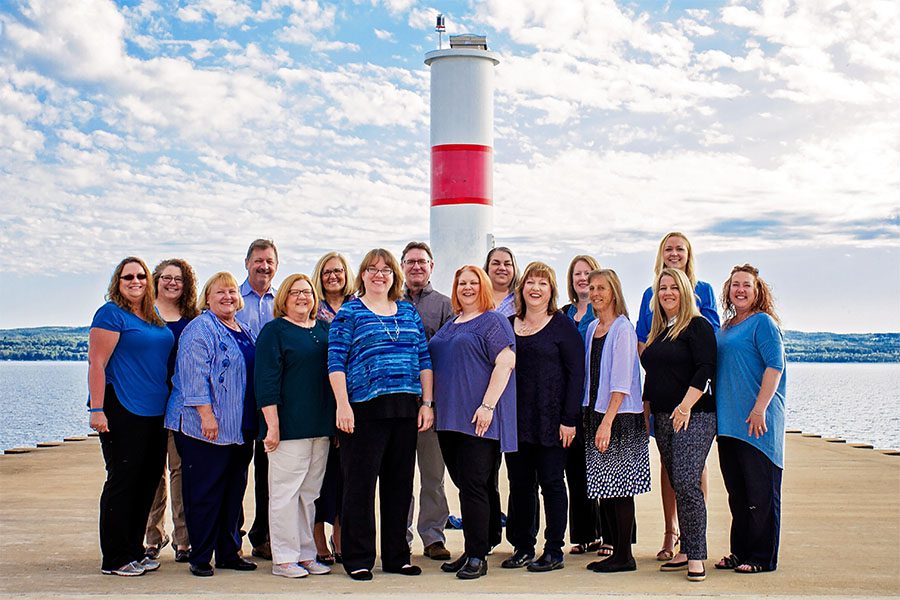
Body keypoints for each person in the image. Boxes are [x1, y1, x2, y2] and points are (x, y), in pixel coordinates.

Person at [327, 249, 434, 581]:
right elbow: (335, 362)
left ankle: (396, 556)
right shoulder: (350, 312)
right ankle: (358, 557)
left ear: (394, 276)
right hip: (363, 411)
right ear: (362, 275)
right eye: (372, 269)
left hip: (405, 409)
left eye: (386, 269)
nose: (379, 274)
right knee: (358, 487)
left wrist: (426, 403)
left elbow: (424, 359)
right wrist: (342, 405)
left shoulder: (407, 312)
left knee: (399, 485)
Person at [165, 272, 259, 577]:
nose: (228, 297)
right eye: (220, 292)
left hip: (239, 427)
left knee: (233, 492)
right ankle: (201, 555)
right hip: (204, 427)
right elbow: (194, 378)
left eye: (232, 291)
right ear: (207, 297)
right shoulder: (200, 330)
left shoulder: (243, 329)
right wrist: (207, 416)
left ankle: (229, 552)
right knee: (205, 493)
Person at [635, 232, 719, 562]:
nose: (674, 254)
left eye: (679, 249)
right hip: (662, 397)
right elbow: (647, 339)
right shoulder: (649, 294)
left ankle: (692, 538)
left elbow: (706, 345)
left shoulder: (704, 292)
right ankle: (671, 532)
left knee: (691, 470)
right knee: (670, 468)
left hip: (692, 401)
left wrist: (687, 400)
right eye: (668, 249)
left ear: (688, 254)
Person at [430, 265, 517, 579]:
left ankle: (478, 556)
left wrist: (487, 405)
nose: (467, 287)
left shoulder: (492, 320)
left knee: (475, 487)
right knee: (464, 486)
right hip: (449, 420)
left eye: (473, 282)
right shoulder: (451, 323)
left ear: (483, 287)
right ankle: (471, 547)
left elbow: (506, 361)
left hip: (478, 419)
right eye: (461, 283)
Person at [89, 257, 174, 576]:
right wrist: (97, 409)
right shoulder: (111, 313)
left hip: (155, 411)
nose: (136, 281)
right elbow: (96, 363)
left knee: (148, 482)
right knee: (123, 482)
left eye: (141, 276)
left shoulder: (152, 316)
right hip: (121, 407)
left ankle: (134, 549)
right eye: (128, 276)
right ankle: (114, 558)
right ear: (118, 281)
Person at [502, 262, 584, 573]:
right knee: (520, 484)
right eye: (530, 283)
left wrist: (569, 419)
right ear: (521, 289)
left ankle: (553, 549)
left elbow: (577, 375)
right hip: (516, 419)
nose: (535, 288)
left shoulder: (563, 326)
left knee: (551, 483)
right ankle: (523, 546)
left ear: (551, 290)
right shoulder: (508, 324)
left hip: (553, 419)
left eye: (543, 283)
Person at [255, 274, 336, 578]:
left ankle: (306, 552)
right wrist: (272, 425)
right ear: (284, 298)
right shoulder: (274, 331)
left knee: (309, 494)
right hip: (287, 428)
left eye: (307, 292)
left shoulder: (325, 329)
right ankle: (284, 557)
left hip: (320, 427)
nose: (302, 297)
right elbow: (266, 381)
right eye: (295, 292)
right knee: (285, 494)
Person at [714, 264, 786, 574]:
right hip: (729, 424)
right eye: (735, 285)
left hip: (757, 422)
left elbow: (774, 367)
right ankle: (739, 551)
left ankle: (761, 557)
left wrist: (759, 408)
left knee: (761, 494)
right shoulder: (727, 326)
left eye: (747, 285)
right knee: (738, 495)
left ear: (757, 292)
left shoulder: (763, 324)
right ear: (728, 291)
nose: (740, 290)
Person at [582, 269, 650, 573]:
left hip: (619, 416)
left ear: (614, 292)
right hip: (596, 413)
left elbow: (621, 381)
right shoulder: (593, 327)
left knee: (621, 488)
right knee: (604, 486)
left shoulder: (623, 329)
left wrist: (607, 421)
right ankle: (614, 551)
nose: (595, 293)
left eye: (602, 288)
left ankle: (624, 555)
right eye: (591, 287)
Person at [144, 259, 200, 564]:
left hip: (181, 407)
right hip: (147, 405)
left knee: (180, 472)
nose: (172, 283)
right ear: (156, 280)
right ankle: (152, 537)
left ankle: (184, 539)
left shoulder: (192, 318)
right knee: (153, 473)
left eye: (178, 279)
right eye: (166, 277)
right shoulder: (143, 315)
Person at [401, 242, 454, 561]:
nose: (416, 267)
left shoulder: (445, 306)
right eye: (410, 262)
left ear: (432, 266)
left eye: (422, 261)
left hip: (432, 406)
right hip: (397, 405)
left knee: (433, 476)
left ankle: (433, 537)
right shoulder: (391, 302)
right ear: (402, 266)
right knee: (400, 477)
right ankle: (400, 535)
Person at [310, 251, 355, 565]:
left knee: (345, 475)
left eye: (338, 270)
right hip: (319, 399)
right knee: (317, 476)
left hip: (352, 400)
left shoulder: (358, 306)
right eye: (327, 272)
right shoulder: (312, 309)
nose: (333, 276)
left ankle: (341, 535)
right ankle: (316, 538)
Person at [560, 255, 606, 556]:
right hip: (570, 400)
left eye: (587, 273)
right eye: (577, 273)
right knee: (575, 471)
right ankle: (584, 535)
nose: (582, 278)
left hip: (598, 399)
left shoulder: (603, 312)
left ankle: (611, 534)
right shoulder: (563, 313)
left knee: (603, 470)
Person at [236, 239, 279, 561]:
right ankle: (230, 535)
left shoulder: (283, 300)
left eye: (269, 261)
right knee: (234, 470)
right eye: (259, 260)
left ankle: (263, 536)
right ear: (247, 262)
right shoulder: (232, 299)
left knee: (269, 473)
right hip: (235, 398)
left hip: (271, 400)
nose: (264, 266)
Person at [484, 246, 518, 317]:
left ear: (514, 269)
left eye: (507, 264)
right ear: (487, 267)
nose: (502, 268)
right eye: (496, 263)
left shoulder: (523, 299)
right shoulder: (474, 296)